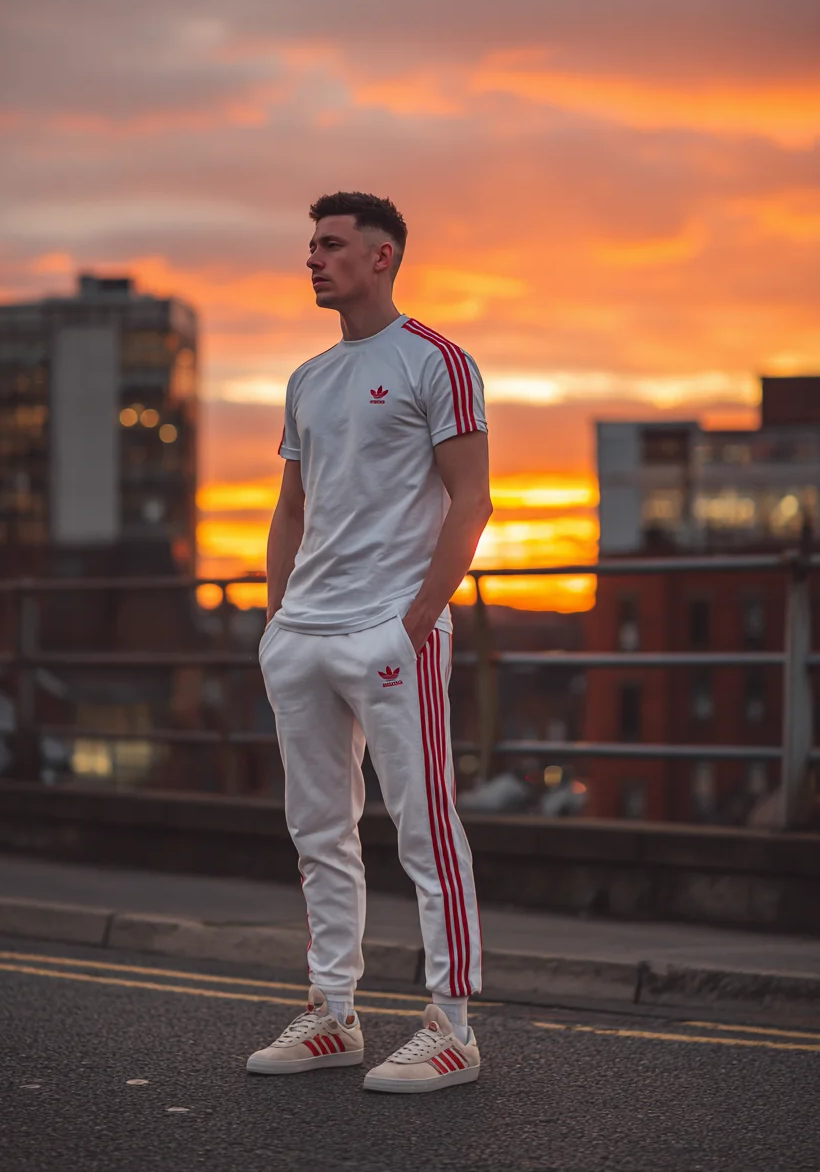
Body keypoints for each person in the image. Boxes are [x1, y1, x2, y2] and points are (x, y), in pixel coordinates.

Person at [247, 192, 492, 1094]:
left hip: (390, 630)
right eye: (310, 244)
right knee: (318, 832)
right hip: (304, 634)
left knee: (426, 826)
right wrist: (277, 625)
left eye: (331, 244)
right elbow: (291, 507)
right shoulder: (308, 378)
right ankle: (332, 1013)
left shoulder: (437, 360)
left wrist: (418, 619)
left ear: (382, 256)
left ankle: (453, 1026)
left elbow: (472, 501)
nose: (313, 258)